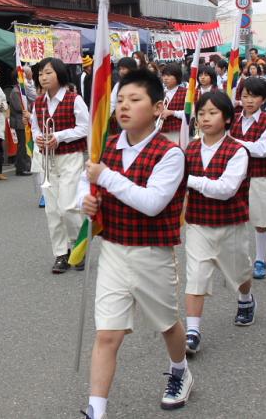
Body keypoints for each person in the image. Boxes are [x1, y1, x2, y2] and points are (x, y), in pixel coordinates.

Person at [78, 70, 192, 418]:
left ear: (158, 108)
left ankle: (180, 370)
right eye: (120, 101)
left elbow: (152, 203)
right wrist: (88, 201)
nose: (124, 107)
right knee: (107, 334)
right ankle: (96, 410)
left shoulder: (170, 153)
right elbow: (89, 188)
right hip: (113, 250)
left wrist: (105, 178)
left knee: (167, 324)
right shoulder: (106, 147)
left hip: (152, 253)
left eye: (134, 99)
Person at [183, 91, 255, 355]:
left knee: (240, 273)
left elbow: (226, 189)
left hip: (230, 224)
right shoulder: (189, 149)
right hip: (198, 224)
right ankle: (192, 331)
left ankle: (246, 298)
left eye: (212, 113)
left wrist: (188, 180)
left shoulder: (238, 150)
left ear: (227, 118)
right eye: (201, 113)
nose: (205, 118)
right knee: (196, 276)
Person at [31, 57, 89, 274]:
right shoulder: (37, 102)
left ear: (60, 74)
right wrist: (38, 138)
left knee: (68, 206)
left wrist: (59, 136)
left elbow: (85, 127)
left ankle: (79, 247)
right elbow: (36, 128)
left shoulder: (74, 99)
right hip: (47, 159)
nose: (43, 77)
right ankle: (61, 254)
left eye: (48, 73)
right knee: (52, 211)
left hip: (70, 157)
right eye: (40, 74)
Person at [229, 78, 266, 280]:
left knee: (260, 220)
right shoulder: (233, 118)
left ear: (263, 99)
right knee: (235, 222)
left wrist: (233, 142)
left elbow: (263, 150)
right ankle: (238, 260)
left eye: (254, 96)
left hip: (259, 176)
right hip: (235, 178)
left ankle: (260, 259)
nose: (249, 101)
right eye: (245, 96)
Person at [10, 68, 33, 177]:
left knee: (26, 144)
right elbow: (19, 107)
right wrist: (27, 108)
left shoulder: (21, 90)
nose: (25, 78)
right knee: (22, 145)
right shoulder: (15, 91)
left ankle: (26, 166)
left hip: (24, 120)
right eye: (22, 76)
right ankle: (21, 167)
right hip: (19, 121)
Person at [159, 63, 187, 145]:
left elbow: (189, 114)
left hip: (177, 131)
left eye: (169, 75)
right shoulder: (160, 92)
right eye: (163, 75)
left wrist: (172, 112)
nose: (165, 78)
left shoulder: (186, 92)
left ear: (177, 77)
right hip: (161, 131)